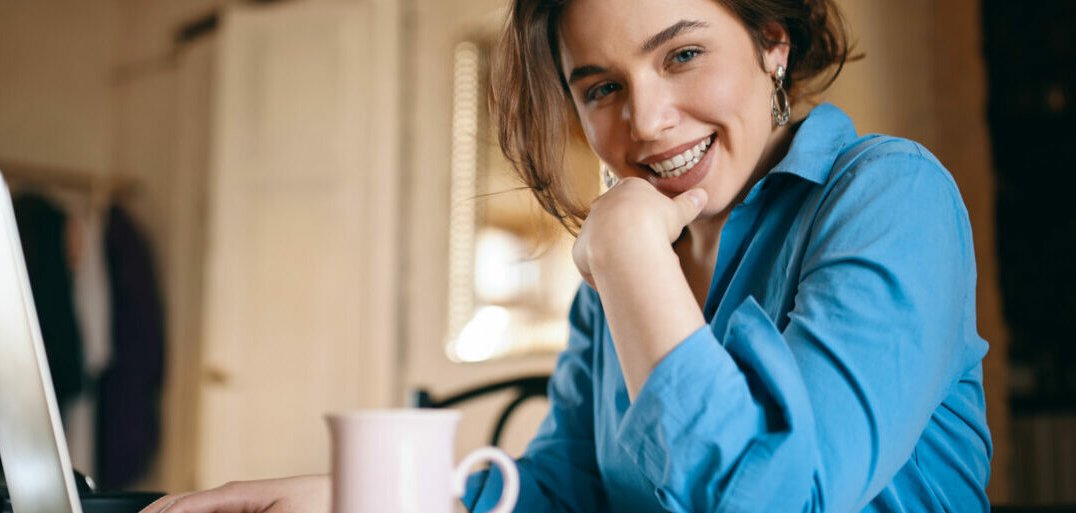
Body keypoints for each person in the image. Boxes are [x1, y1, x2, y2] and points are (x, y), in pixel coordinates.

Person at [141, 0, 993, 511]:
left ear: (773, 42)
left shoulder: (889, 197)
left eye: (682, 54)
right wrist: (355, 499)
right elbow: (562, 492)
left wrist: (627, 260)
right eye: (601, 88)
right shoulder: (622, 274)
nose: (647, 119)